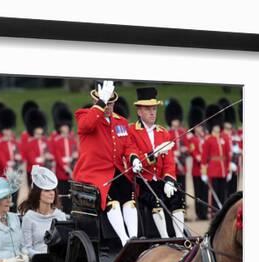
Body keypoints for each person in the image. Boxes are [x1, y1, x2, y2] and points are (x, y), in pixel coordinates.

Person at [72, 80, 142, 246]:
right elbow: (87, 125)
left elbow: (129, 145)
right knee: (113, 201)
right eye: (106, 103)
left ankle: (133, 239)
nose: (109, 107)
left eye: (111, 103)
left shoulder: (121, 122)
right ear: (97, 101)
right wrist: (100, 103)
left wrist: (134, 157)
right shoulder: (85, 115)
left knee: (129, 197)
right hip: (94, 173)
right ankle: (124, 240)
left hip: (116, 171)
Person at [128, 87, 185, 238]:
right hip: (143, 181)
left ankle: (180, 238)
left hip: (160, 179)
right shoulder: (132, 131)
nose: (152, 112)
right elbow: (136, 159)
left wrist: (169, 180)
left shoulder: (163, 132)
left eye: (154, 109)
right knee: (156, 200)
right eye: (148, 109)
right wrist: (154, 153)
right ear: (139, 112)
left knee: (178, 196)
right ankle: (165, 238)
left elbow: (169, 162)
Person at [19, 165, 67, 257]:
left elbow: (64, 245)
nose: (52, 193)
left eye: (53, 190)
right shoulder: (29, 217)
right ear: (38, 194)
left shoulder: (60, 216)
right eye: (47, 190)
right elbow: (26, 248)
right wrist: (43, 256)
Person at [201, 104, 230, 216]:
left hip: (222, 170)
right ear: (212, 126)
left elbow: (228, 156)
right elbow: (204, 157)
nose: (217, 128)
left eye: (218, 126)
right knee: (214, 193)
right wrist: (203, 173)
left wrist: (228, 170)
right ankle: (214, 211)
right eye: (215, 126)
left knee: (223, 192)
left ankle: (222, 210)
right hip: (213, 169)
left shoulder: (224, 139)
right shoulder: (209, 140)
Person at [49, 104, 77, 213]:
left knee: (72, 195)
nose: (65, 128)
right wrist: (68, 170)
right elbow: (58, 157)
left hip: (71, 170)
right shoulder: (57, 140)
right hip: (62, 172)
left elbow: (75, 151)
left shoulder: (71, 138)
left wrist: (74, 159)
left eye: (66, 126)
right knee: (63, 195)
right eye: (63, 126)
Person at [187, 105, 209, 220]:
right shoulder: (193, 140)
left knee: (205, 192)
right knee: (198, 193)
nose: (199, 129)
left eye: (201, 127)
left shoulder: (205, 139)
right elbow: (193, 152)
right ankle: (199, 213)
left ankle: (204, 212)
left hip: (205, 171)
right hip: (196, 170)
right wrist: (200, 158)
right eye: (198, 128)